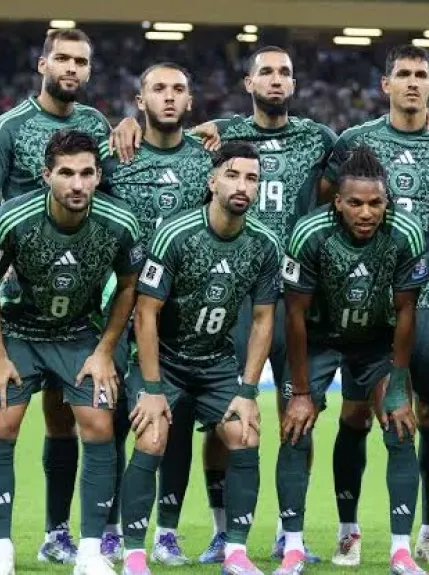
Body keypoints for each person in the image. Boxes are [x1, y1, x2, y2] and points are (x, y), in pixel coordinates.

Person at [110, 46, 336, 564]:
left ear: (294, 83)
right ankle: (193, 532)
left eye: (285, 72)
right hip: (222, 304)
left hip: (289, 297)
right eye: (266, 72)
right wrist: (126, 123)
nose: (276, 80)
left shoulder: (319, 138)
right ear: (248, 82)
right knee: (186, 420)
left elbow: (358, 161)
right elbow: (169, 129)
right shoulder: (219, 134)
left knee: (293, 414)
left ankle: (289, 536)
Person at [320, 44, 429, 567]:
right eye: (403, 74)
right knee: (356, 414)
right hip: (365, 308)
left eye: (421, 75)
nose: (413, 82)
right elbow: (326, 204)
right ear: (385, 84)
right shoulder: (355, 141)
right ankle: (348, 530)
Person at [0, 28, 114, 568]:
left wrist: (128, 126)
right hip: (20, 301)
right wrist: (15, 256)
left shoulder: (96, 125)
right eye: (63, 59)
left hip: (77, 306)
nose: (71, 68)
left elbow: (110, 200)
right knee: (6, 419)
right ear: (43, 64)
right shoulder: (9, 127)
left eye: (81, 61)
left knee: (64, 420)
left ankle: (58, 533)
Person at [0, 130, 142, 575]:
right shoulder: (13, 217)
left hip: (78, 335)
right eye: (66, 173)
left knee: (99, 425)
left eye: (86, 173)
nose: (77, 184)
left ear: (98, 175)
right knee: (2, 421)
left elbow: (129, 286)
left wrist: (105, 350)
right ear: (46, 175)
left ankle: (90, 551)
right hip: (20, 332)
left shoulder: (120, 222)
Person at [119, 141, 280, 575]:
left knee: (245, 434)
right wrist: (153, 389)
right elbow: (146, 314)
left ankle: (236, 553)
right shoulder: (176, 235)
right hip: (165, 361)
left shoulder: (264, 244)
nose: (242, 185)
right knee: (152, 437)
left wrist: (248, 390)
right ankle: (134, 556)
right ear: (212, 181)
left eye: (251, 178)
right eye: (233, 175)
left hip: (215, 363)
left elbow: (263, 320)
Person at [276, 145, 428, 575]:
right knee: (295, 429)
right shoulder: (310, 233)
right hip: (319, 340)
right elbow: (295, 315)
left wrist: (398, 383)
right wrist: (301, 392)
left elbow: (406, 311)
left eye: (376, 203)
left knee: (400, 429)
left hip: (376, 341)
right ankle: (292, 547)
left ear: (387, 202)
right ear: (338, 202)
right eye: (356, 203)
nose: (366, 212)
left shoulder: (405, 232)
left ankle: (400, 551)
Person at [101, 62, 215, 565]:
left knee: (176, 422)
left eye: (179, 89)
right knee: (109, 422)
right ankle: (108, 528)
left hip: (181, 318)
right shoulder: (113, 157)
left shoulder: (207, 160)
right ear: (139, 100)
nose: (169, 96)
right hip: (118, 308)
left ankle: (166, 532)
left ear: (190, 102)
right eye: (158, 88)